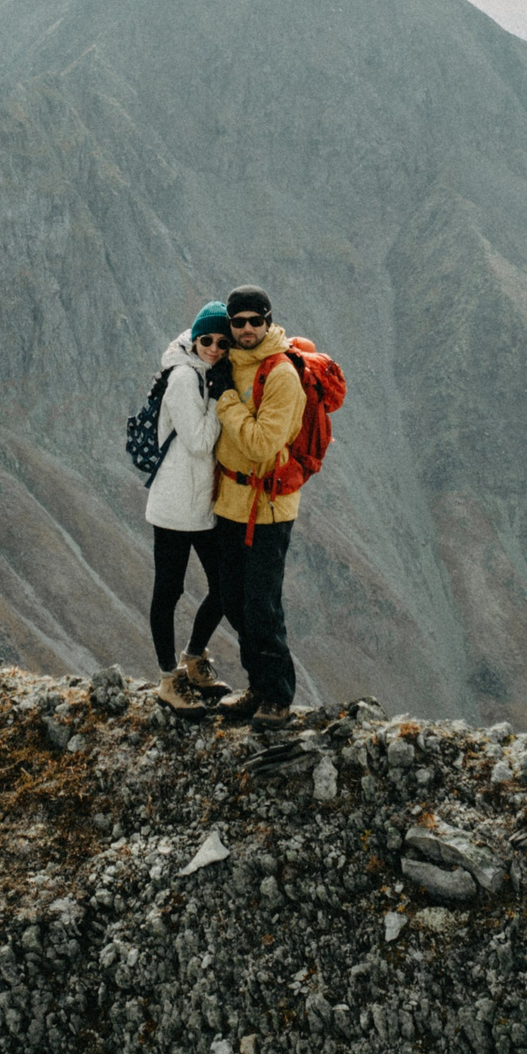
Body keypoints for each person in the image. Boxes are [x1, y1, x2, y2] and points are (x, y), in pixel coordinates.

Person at [207, 284, 305, 729]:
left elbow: (263, 444)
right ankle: (258, 685)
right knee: (232, 600)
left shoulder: (281, 373)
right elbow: (190, 342)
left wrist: (227, 399)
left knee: (262, 604)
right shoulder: (230, 361)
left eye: (255, 321)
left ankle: (278, 696)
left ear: (267, 321)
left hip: (266, 508)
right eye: (238, 322)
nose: (246, 329)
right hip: (230, 502)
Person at [145, 301, 233, 710]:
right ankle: (168, 679)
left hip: (200, 506)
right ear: (193, 339)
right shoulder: (184, 378)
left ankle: (193, 659)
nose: (214, 348)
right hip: (174, 507)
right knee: (169, 590)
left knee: (225, 588)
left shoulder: (203, 372)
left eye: (222, 342)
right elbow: (198, 443)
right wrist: (219, 399)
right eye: (206, 340)